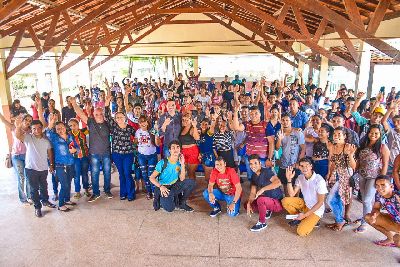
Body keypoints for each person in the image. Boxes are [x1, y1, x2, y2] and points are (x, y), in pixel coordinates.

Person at [71, 97, 113, 202]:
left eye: (100, 114)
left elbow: (110, 114)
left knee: (107, 172)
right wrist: (74, 104)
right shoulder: (91, 122)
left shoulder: (108, 123)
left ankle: (107, 190)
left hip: (106, 153)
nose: (99, 116)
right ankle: (96, 193)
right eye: (96, 114)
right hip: (94, 154)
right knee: (94, 173)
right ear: (93, 115)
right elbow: (81, 114)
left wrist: (106, 104)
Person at [15, 117, 56, 217]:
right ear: (31, 129)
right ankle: (37, 207)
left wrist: (51, 165)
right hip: (31, 169)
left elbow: (50, 153)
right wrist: (19, 125)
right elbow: (17, 134)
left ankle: (45, 201)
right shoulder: (28, 138)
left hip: (43, 168)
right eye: (34, 128)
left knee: (44, 186)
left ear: (42, 128)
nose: (36, 130)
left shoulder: (46, 141)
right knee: (33, 189)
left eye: (38, 128)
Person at [354, 125, 389, 233]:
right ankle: (366, 215)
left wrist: (381, 180)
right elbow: (359, 161)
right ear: (368, 133)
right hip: (362, 175)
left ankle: (365, 223)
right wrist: (355, 172)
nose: (373, 135)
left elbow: (385, 164)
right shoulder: (363, 144)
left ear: (380, 135)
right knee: (365, 199)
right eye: (371, 132)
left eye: (376, 133)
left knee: (366, 200)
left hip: (374, 177)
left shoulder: (382, 147)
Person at [282, 158, 328, 236]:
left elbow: (320, 203)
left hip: (316, 210)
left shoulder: (319, 180)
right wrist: (289, 180)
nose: (304, 168)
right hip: (305, 204)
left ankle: (308, 218)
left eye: (307, 165)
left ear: (311, 166)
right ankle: (301, 218)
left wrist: (305, 215)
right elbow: (292, 194)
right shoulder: (300, 178)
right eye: (302, 166)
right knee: (285, 201)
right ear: (299, 167)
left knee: (301, 232)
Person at [149, 140, 195, 212]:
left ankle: (181, 203)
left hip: (174, 186)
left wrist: (182, 164)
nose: (175, 149)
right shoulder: (163, 162)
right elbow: (151, 178)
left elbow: (182, 179)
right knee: (170, 209)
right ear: (169, 150)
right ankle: (162, 199)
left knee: (191, 183)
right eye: (173, 147)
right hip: (164, 187)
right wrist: (161, 187)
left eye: (177, 147)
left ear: (180, 150)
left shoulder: (180, 162)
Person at [105, 95, 136, 201]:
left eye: (121, 117)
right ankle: (123, 193)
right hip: (117, 154)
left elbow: (137, 137)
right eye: (117, 117)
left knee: (127, 173)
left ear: (125, 118)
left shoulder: (130, 128)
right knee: (121, 174)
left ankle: (131, 193)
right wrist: (107, 104)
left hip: (128, 154)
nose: (119, 119)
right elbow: (107, 116)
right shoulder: (113, 127)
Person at [326, 127, 357, 231]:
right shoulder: (333, 147)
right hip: (337, 174)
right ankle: (338, 220)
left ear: (344, 136)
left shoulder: (348, 147)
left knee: (330, 199)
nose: (336, 136)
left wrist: (351, 155)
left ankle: (340, 220)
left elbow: (353, 166)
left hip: (346, 177)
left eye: (339, 134)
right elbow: (333, 162)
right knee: (337, 198)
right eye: (335, 134)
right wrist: (330, 174)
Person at [45, 114, 77, 212]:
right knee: (64, 185)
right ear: (56, 130)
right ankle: (61, 204)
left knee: (68, 183)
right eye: (58, 128)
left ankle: (67, 199)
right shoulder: (54, 138)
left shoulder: (70, 136)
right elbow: (47, 132)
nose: (60, 130)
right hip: (60, 165)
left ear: (65, 127)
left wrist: (75, 150)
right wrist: (53, 121)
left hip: (71, 163)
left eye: (62, 127)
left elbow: (77, 147)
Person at [0, 112, 32, 204]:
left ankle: (30, 197)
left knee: (28, 177)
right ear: (22, 120)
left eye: (30, 121)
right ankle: (23, 199)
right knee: (21, 177)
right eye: (26, 119)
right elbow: (3, 120)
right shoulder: (14, 127)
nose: (28, 122)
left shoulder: (31, 131)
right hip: (16, 156)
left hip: (27, 156)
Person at [246, 154, 283, 232]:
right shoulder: (254, 176)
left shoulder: (266, 171)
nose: (253, 166)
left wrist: (263, 189)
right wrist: (249, 203)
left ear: (260, 163)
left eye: (255, 163)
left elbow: (278, 182)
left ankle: (262, 223)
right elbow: (253, 192)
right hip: (267, 198)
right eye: (251, 164)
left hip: (276, 202)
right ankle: (267, 209)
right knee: (247, 205)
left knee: (261, 200)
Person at [365, 175, 400, 247]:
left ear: (391, 186)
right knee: (368, 217)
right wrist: (374, 215)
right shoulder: (378, 194)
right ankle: (390, 239)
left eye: (383, 185)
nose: (379, 188)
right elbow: (376, 208)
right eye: (377, 185)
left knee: (398, 240)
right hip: (395, 222)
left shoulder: (397, 196)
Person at [275, 114, 305, 194]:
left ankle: (296, 203)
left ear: (291, 121)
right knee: (285, 185)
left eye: (287, 120)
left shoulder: (298, 133)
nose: (285, 122)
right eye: (283, 120)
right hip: (283, 164)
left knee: (296, 185)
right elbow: (277, 148)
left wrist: (299, 162)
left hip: (295, 164)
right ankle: (287, 203)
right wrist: (279, 139)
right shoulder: (279, 132)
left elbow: (303, 148)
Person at [135, 115, 158, 199]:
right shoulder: (137, 132)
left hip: (152, 155)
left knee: (151, 174)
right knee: (144, 175)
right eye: (140, 122)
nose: (143, 123)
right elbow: (135, 142)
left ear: (147, 122)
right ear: (139, 123)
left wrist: (157, 134)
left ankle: (154, 191)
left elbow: (158, 143)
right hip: (141, 156)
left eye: (144, 121)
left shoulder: (152, 131)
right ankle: (149, 192)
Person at [68, 118, 90, 199]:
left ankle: (86, 189)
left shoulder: (84, 132)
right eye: (71, 126)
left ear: (78, 124)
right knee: (76, 175)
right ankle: (77, 191)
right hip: (75, 158)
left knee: (85, 174)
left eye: (75, 125)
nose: (73, 127)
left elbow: (90, 126)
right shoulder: (68, 135)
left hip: (84, 157)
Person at [179, 113, 200, 179]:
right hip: (183, 152)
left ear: (190, 120)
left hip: (192, 152)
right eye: (183, 120)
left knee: (191, 172)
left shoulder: (192, 128)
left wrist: (194, 126)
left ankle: (192, 188)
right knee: (183, 171)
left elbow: (197, 138)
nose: (184, 121)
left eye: (186, 120)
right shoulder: (182, 128)